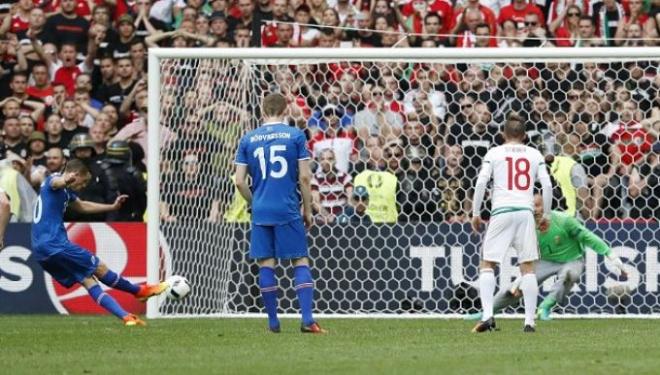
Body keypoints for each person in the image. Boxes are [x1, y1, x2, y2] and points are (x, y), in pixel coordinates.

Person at [31, 159, 167, 326]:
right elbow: (56, 182)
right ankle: (139, 291)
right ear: (76, 175)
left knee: (88, 279)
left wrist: (111, 207)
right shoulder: (54, 181)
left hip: (41, 250)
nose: (84, 186)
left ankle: (126, 317)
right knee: (100, 267)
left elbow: (82, 206)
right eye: (84, 181)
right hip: (55, 244)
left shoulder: (65, 192)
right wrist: (65, 180)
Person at [234, 93, 326, 334]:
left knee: (266, 263)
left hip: (262, 209)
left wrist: (254, 203)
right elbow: (305, 177)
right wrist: (307, 209)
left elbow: (240, 182)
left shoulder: (248, 138)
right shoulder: (295, 136)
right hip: (286, 207)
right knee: (300, 260)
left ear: (262, 111)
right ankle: (307, 320)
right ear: (286, 110)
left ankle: (273, 323)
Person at [466, 195, 627, 322]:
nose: (534, 210)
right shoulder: (525, 227)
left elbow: (588, 237)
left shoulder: (564, 221)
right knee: (515, 290)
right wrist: (521, 278)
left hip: (572, 259)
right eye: (530, 206)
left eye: (537, 205)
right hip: (544, 262)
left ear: (546, 206)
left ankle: (545, 307)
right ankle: (487, 312)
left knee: (571, 274)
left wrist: (611, 255)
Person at [470, 113, 553, 333]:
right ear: (524, 135)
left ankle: (488, 315)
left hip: (501, 211)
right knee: (528, 268)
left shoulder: (494, 152)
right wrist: (547, 215)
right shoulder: (534, 153)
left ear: (502, 134)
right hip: (525, 212)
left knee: (487, 264)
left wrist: (476, 212)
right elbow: (546, 185)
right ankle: (529, 322)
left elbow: (481, 182)